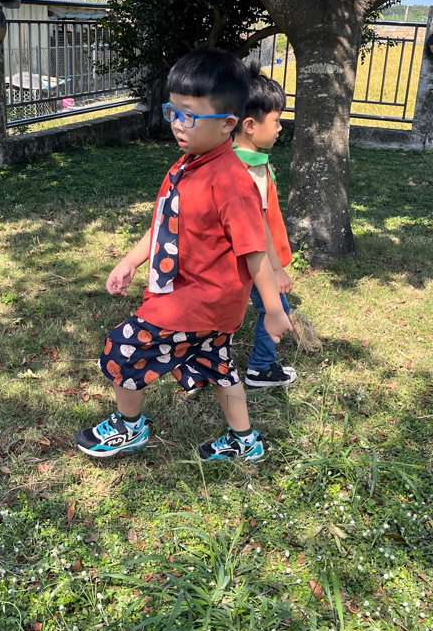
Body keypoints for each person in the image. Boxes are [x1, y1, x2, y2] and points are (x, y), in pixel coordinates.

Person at [74, 48, 292, 462]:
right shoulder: (188, 165)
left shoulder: (231, 182)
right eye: (172, 111)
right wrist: (130, 261)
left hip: (200, 300)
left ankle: (128, 427)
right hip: (201, 300)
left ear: (228, 123)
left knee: (124, 347)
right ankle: (245, 442)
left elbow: (255, 251)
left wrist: (273, 309)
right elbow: (164, 222)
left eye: (189, 115)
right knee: (218, 366)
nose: (177, 123)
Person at [233, 65, 297, 388]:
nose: (280, 128)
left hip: (242, 258)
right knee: (276, 307)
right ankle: (260, 367)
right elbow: (258, 224)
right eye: (276, 121)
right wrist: (276, 269)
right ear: (250, 125)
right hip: (257, 259)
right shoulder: (251, 169)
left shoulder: (233, 159)